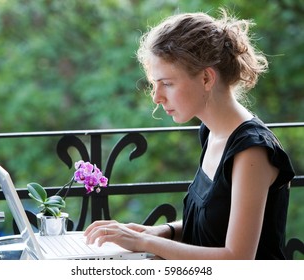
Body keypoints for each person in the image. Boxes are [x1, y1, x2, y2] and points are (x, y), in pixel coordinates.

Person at [84, 9, 295, 260]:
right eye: (155, 83)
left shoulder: (252, 151)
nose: (156, 97)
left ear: (206, 78)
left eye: (167, 83)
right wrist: (158, 232)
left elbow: (236, 259)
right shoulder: (212, 132)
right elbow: (214, 227)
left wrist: (144, 242)